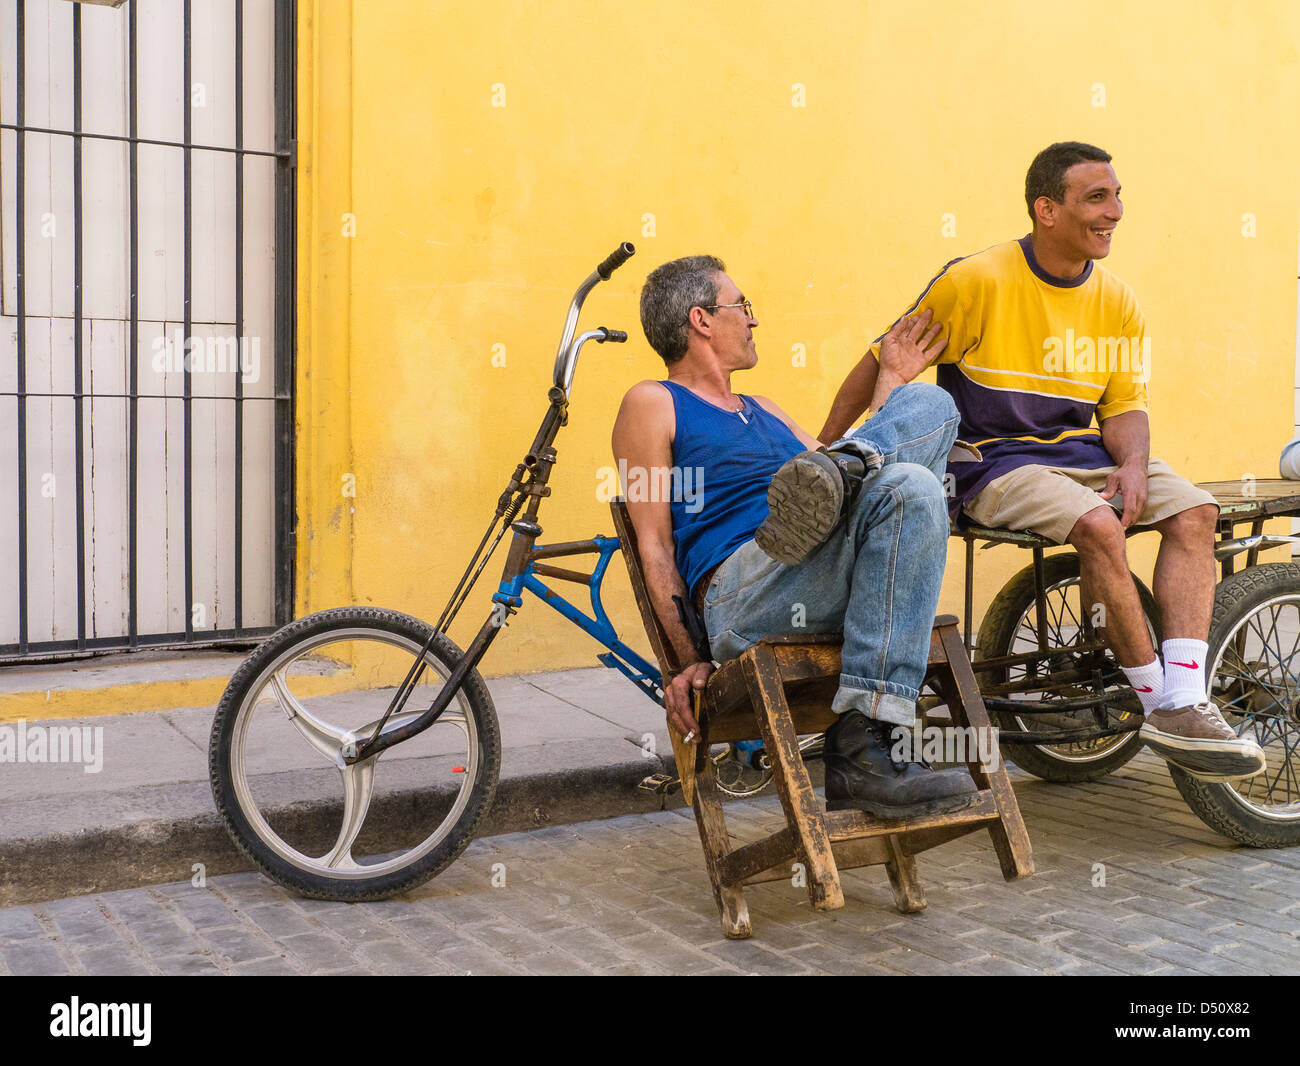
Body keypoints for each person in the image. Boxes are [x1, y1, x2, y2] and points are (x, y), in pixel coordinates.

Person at [815, 141, 1264, 782]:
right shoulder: (976, 279)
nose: (1115, 212)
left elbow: (1125, 407)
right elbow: (883, 359)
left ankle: (1185, 698)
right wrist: (828, 450)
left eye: (1116, 196)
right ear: (1045, 210)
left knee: (1197, 511)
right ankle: (1156, 705)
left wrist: (1134, 465)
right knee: (1101, 527)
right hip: (988, 462)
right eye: (1096, 198)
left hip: (1077, 454)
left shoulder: (1119, 302)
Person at [612, 255, 977, 816]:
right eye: (743, 306)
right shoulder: (652, 401)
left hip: (822, 579)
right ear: (701, 320)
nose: (754, 321)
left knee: (921, 440)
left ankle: (865, 748)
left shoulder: (768, 410)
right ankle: (835, 468)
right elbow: (654, 546)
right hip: (745, 592)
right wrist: (685, 660)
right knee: (897, 473)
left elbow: (872, 488)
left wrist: (892, 379)